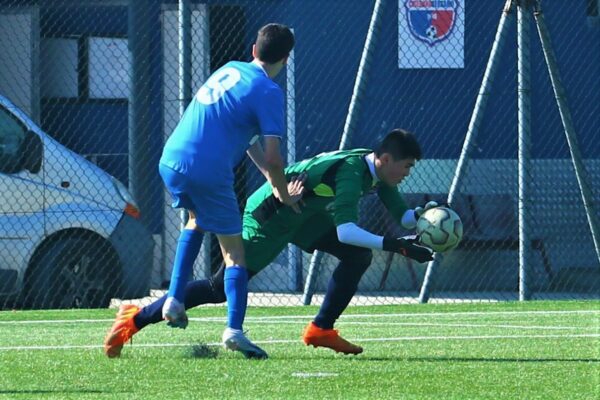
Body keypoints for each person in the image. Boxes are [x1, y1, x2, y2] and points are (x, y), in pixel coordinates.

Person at [104, 129, 436, 359]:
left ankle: (321, 329)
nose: (408, 172)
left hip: (303, 214)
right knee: (219, 287)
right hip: (271, 213)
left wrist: (424, 219)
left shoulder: (377, 172)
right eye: (406, 166)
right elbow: (347, 229)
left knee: (357, 257)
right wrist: (397, 245)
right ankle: (134, 318)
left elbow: (404, 216)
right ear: (386, 159)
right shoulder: (351, 170)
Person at [155, 23, 297, 359]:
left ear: (253, 50)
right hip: (208, 171)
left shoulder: (231, 68)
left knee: (196, 220)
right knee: (235, 254)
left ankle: (174, 298)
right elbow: (276, 158)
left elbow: (245, 137)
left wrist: (265, 175)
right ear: (286, 59)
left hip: (171, 159)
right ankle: (234, 330)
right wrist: (283, 193)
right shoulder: (268, 91)